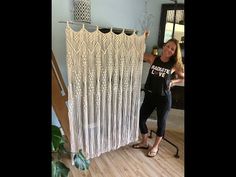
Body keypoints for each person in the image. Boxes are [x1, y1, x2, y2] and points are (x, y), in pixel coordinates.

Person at [132, 32, 184, 157]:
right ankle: (144, 142)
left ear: (174, 52)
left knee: (161, 123)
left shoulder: (174, 65)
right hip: (150, 96)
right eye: (168, 46)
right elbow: (137, 51)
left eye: (173, 49)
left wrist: (173, 81)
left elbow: (183, 77)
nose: (169, 50)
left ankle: (155, 147)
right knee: (141, 119)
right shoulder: (153, 59)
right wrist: (143, 38)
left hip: (164, 98)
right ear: (164, 46)